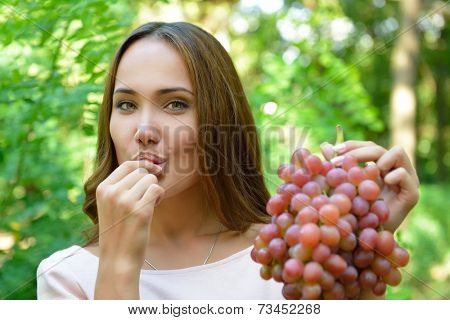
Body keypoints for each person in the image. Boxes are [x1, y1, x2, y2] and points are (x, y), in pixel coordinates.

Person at [36, 21, 420, 300]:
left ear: (221, 123)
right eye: (126, 104)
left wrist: (358, 248)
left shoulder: (285, 256)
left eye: (175, 104)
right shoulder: (68, 277)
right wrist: (118, 266)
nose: (144, 129)